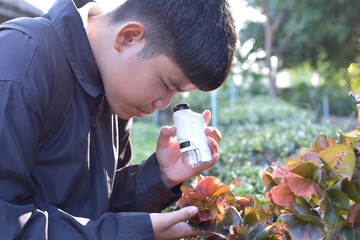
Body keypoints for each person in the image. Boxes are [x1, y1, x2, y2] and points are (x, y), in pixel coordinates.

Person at [0, 0, 237, 239]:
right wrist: (127, 233)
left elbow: (96, 212)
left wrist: (158, 177)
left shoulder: (114, 93)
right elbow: (7, 224)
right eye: (166, 84)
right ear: (128, 37)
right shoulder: (21, 60)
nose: (163, 103)